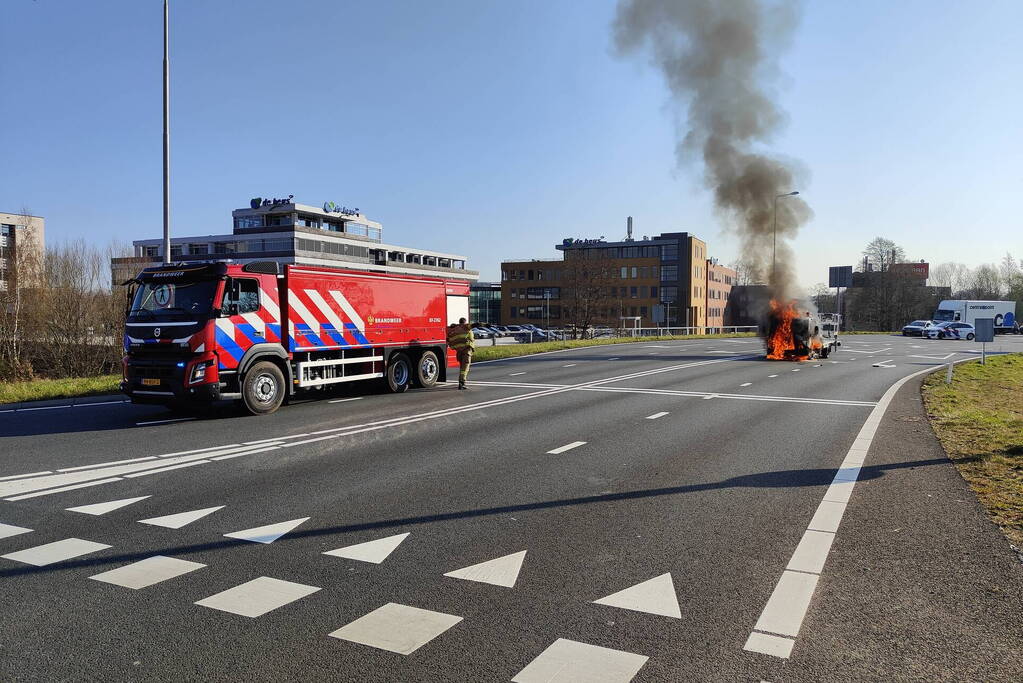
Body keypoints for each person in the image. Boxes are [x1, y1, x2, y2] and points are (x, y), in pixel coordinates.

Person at [447, 317, 478, 389]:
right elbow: (476, 324)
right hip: (466, 351)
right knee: (465, 368)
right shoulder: (466, 327)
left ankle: (460, 382)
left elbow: (449, 339)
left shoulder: (455, 329)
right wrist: (486, 325)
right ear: (465, 322)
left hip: (459, 352)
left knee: (462, 368)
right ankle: (462, 383)